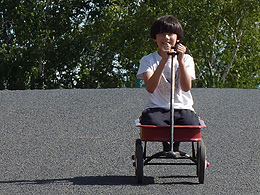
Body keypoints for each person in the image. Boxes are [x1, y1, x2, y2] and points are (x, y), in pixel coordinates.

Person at [136, 15, 200, 152]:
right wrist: (163, 61)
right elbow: (151, 88)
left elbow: (186, 87)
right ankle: (168, 143)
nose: (166, 38)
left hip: (182, 107)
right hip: (157, 108)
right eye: (161, 34)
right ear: (155, 38)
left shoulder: (187, 59)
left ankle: (174, 144)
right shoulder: (148, 60)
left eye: (170, 34)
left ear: (178, 38)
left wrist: (181, 61)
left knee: (191, 124)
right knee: (151, 122)